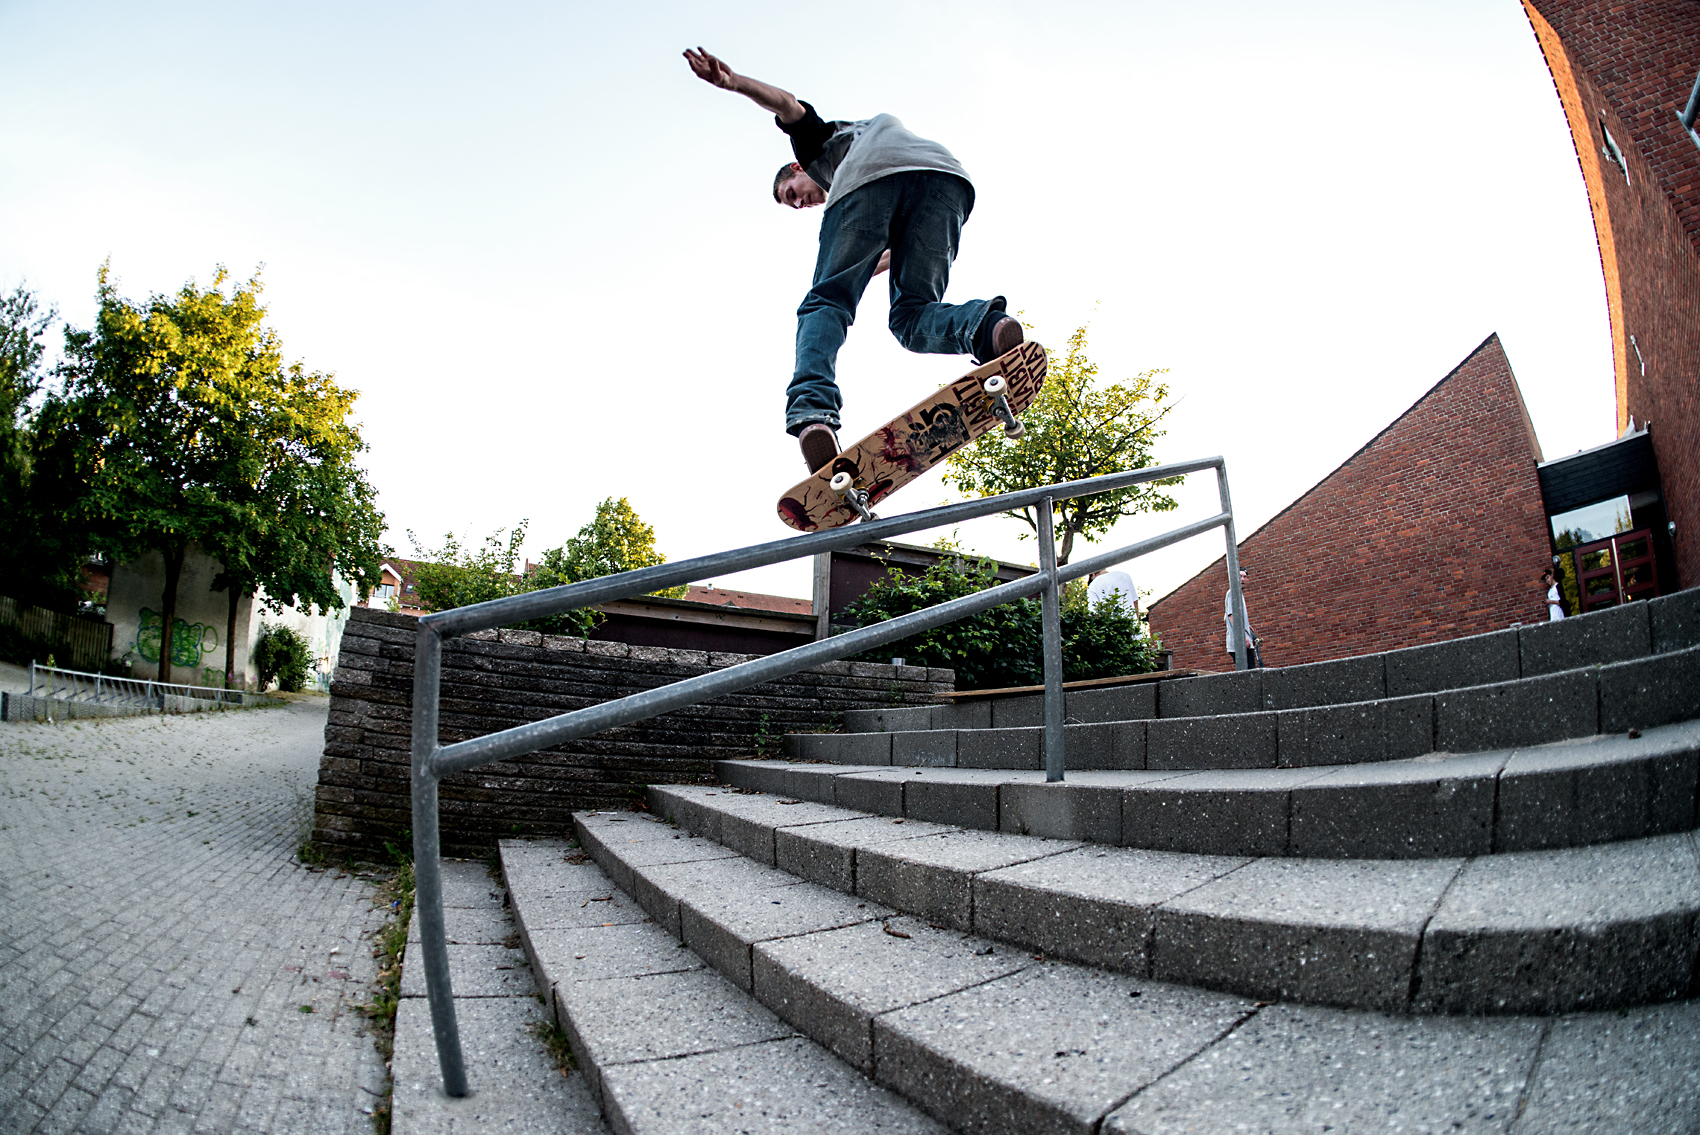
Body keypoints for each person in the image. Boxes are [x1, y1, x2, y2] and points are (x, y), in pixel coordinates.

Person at [683, 47, 1026, 473]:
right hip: (945, 181)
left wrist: (733, 82)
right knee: (911, 319)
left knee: (826, 303)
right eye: (795, 207)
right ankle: (989, 329)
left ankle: (812, 414)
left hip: (872, 182)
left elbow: (788, 105)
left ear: (796, 167)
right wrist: (867, 268)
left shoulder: (820, 146)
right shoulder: (874, 139)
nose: (803, 203)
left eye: (794, 194)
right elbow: (884, 260)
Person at [1224, 567, 1261, 669]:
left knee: (1249, 672)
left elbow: (1226, 617)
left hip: (1244, 641)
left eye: (1245, 577)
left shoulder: (1239, 594)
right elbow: (1232, 617)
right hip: (1240, 643)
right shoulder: (1232, 593)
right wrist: (1242, 637)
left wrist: (1245, 625)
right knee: (1248, 674)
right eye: (1240, 576)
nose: (1243, 579)